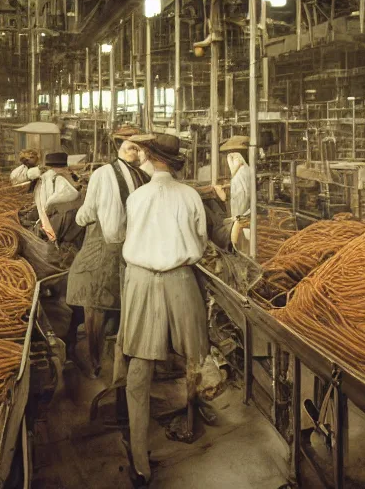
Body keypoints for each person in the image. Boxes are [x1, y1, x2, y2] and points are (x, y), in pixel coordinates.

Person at [115, 133, 209, 486]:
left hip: (141, 282)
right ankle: (191, 421)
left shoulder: (137, 197)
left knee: (139, 373)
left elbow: (125, 236)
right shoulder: (190, 196)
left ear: (151, 158)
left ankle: (141, 462)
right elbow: (200, 239)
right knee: (194, 359)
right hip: (181, 280)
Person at [66, 128, 149, 377]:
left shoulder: (102, 173)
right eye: (133, 146)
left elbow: (88, 212)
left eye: (135, 146)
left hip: (104, 244)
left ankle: (94, 362)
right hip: (133, 246)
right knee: (123, 300)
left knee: (91, 298)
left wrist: (79, 217)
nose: (135, 150)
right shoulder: (142, 176)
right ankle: (121, 356)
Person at [215, 136, 255, 252]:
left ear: (237, 157)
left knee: (240, 248)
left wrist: (223, 196)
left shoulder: (239, 176)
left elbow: (240, 200)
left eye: (231, 158)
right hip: (245, 216)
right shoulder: (246, 171)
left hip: (242, 219)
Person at [33, 152, 81, 243]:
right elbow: (73, 194)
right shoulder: (58, 177)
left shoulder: (46, 177)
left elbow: (43, 205)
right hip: (66, 220)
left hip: (57, 219)